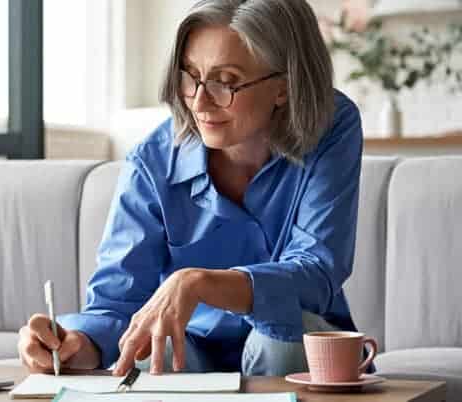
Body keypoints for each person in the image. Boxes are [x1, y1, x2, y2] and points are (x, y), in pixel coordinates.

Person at [18, 0, 364, 377]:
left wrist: (199, 283)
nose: (199, 102)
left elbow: (316, 273)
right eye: (190, 76)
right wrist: (74, 345)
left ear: (283, 88)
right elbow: (118, 307)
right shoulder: (152, 162)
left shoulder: (332, 127)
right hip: (192, 350)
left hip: (293, 342)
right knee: (153, 350)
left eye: (225, 81)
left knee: (278, 335)